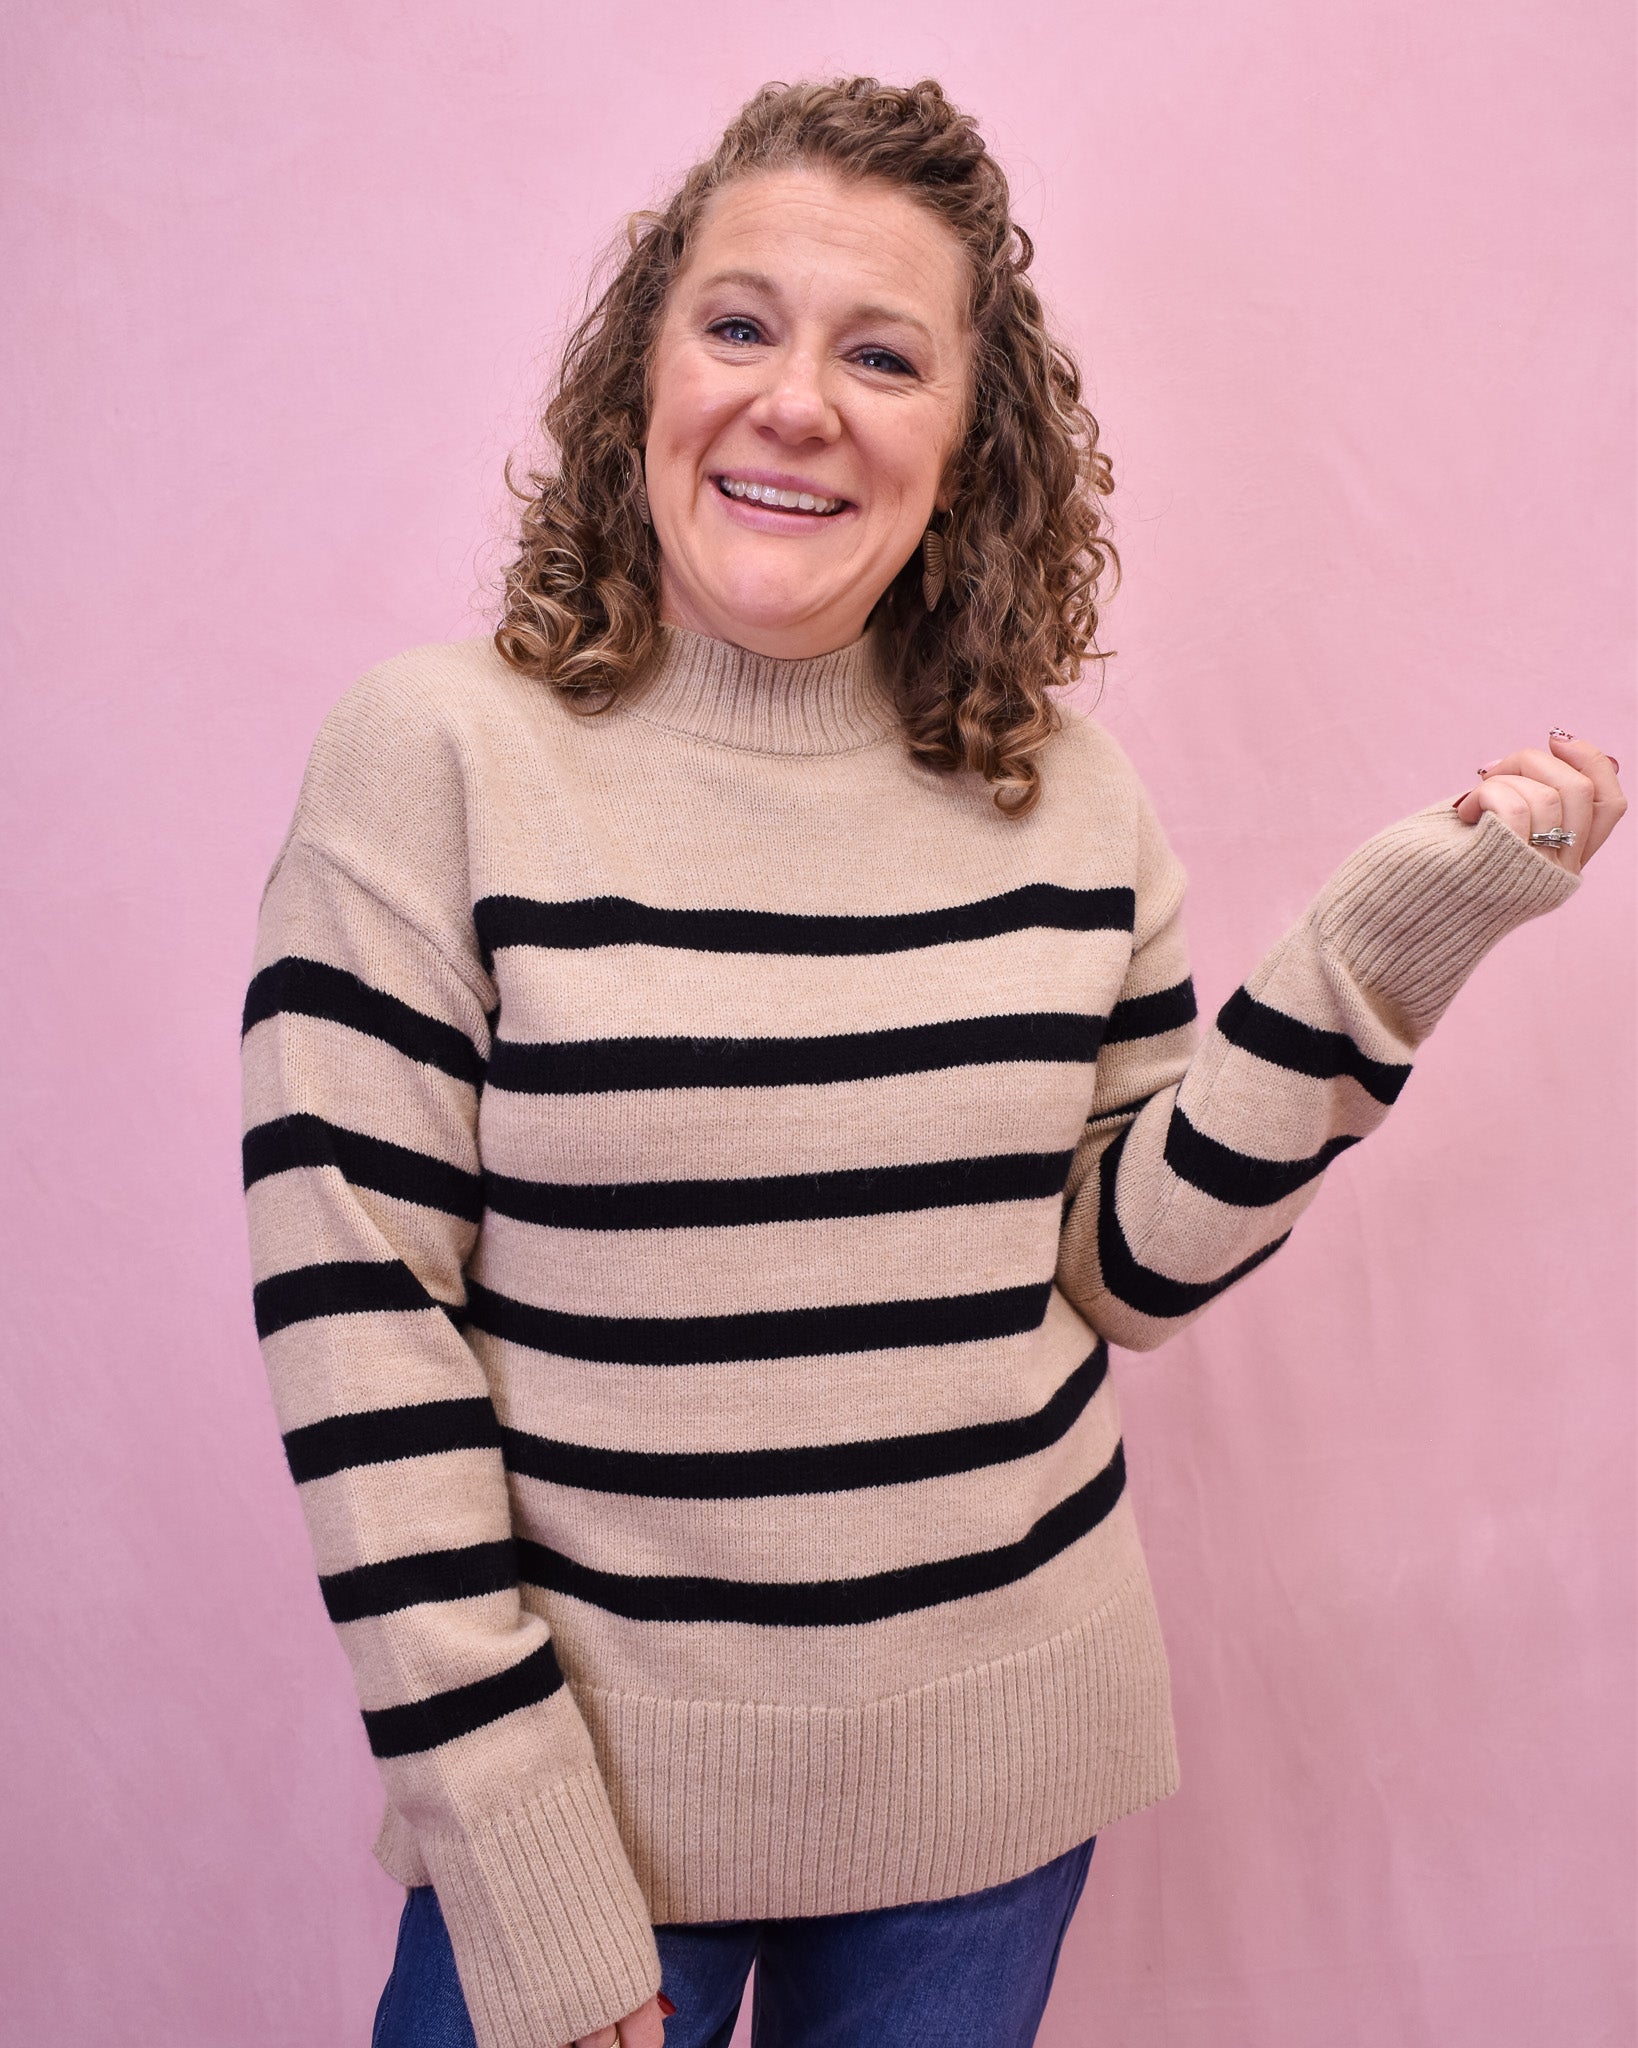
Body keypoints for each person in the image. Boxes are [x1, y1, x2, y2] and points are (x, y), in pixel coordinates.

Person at [237, 76, 1624, 2048]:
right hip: (588, 1818)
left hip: (996, 1797)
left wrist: (1386, 949)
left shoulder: (1061, 792)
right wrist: (520, 1847)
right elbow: (361, 1333)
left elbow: (1122, 1269)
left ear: (966, 439)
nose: (798, 399)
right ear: (644, 374)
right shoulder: (437, 759)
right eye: (740, 322)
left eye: (881, 351)